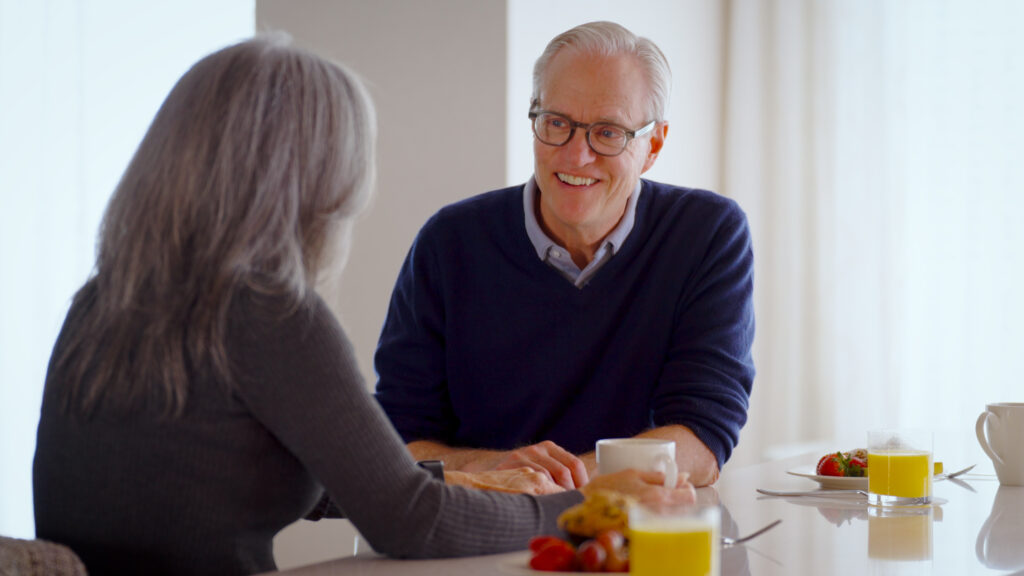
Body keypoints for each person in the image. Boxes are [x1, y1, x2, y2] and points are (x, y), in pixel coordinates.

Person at [32, 34, 696, 576]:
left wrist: (469, 480)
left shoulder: (98, 303)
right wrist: (585, 504)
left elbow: (243, 469)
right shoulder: (268, 312)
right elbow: (407, 520)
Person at [374, 21, 755, 490]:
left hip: (638, 534)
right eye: (557, 123)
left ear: (652, 146)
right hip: (479, 534)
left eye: (608, 133)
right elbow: (396, 440)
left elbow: (702, 439)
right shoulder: (448, 243)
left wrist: (556, 483)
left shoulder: (706, 234)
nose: (576, 156)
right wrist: (496, 470)